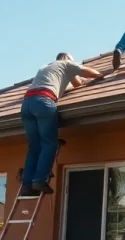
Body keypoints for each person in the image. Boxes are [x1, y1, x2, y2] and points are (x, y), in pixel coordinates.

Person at [20, 52, 101, 195]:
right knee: (49, 143)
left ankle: (27, 185)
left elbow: (77, 83)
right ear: (68, 59)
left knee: (34, 146)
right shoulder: (65, 63)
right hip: (43, 101)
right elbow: (90, 72)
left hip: (27, 104)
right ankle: (39, 180)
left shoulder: (47, 67)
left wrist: (74, 78)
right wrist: (102, 75)